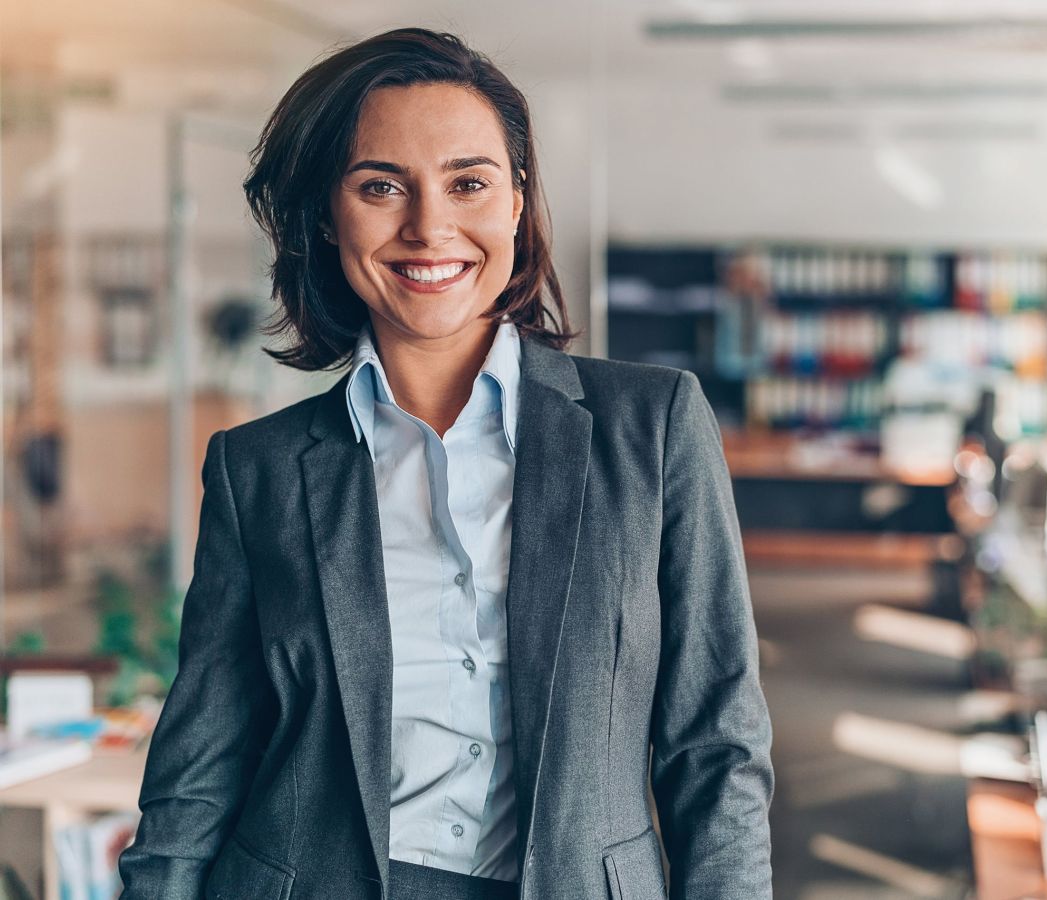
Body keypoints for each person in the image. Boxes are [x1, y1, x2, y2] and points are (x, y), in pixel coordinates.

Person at [117, 27, 773, 900]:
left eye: (468, 182)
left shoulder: (650, 429)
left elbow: (718, 747)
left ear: (515, 202)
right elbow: (199, 766)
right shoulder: (258, 470)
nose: (430, 227)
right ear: (326, 214)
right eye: (381, 186)